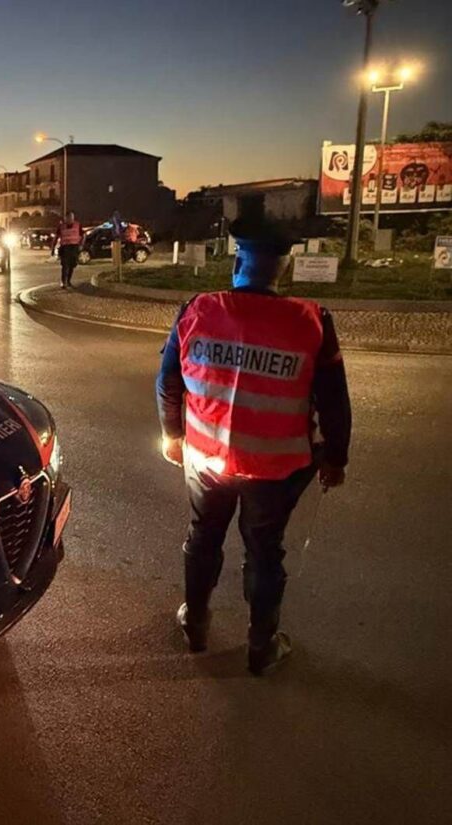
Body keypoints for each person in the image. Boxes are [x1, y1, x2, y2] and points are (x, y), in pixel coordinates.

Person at [155, 215, 351, 675]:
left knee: (203, 536)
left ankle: (196, 625)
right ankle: (261, 646)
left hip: (206, 459)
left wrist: (172, 435)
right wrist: (336, 458)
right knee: (265, 550)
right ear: (281, 267)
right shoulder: (312, 321)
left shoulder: (197, 309)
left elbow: (168, 382)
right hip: (276, 467)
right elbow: (334, 402)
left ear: (237, 259)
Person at [50, 210, 84, 288]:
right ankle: (63, 282)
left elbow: (83, 235)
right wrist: (53, 249)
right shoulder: (61, 227)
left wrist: (81, 245)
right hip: (65, 248)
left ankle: (68, 281)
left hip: (74, 248)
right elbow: (56, 238)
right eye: (68, 218)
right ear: (65, 218)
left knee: (72, 265)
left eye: (72, 217)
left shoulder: (77, 225)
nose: (70, 219)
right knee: (65, 265)